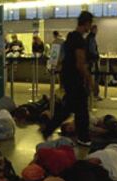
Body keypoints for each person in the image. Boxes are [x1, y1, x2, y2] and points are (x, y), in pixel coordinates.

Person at [41, 11, 94, 146]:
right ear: (87, 23)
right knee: (80, 108)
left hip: (67, 76)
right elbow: (80, 63)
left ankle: (49, 129)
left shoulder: (70, 36)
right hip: (75, 78)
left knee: (71, 107)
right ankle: (83, 137)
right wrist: (90, 79)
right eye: (90, 24)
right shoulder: (79, 40)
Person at [86, 25, 101, 100]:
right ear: (93, 30)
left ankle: (90, 93)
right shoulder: (91, 38)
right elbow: (92, 50)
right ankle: (95, 94)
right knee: (95, 78)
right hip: (93, 61)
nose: (97, 31)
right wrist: (97, 56)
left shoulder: (89, 38)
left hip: (90, 61)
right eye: (96, 29)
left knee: (90, 78)